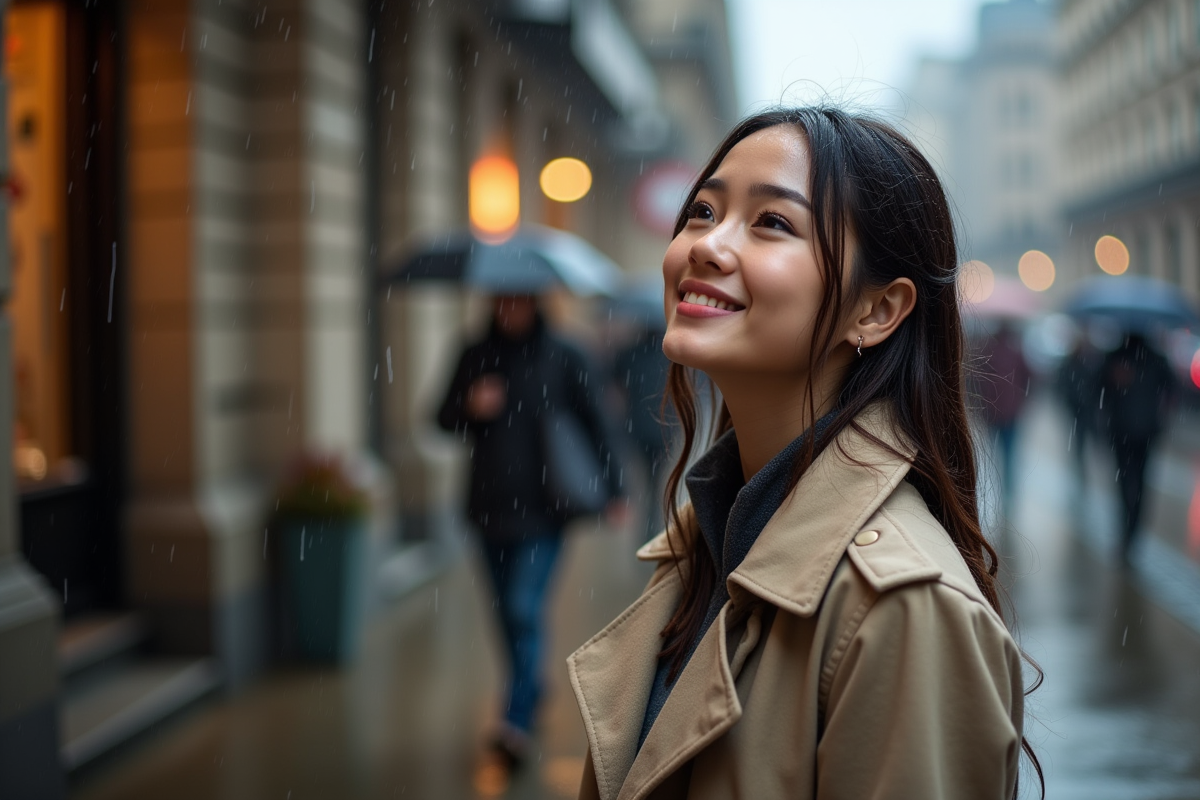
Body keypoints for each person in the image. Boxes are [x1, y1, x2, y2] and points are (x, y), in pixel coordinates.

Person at [567, 107, 1040, 800]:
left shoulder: (904, 613)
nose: (706, 244)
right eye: (702, 210)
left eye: (772, 223)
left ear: (876, 311)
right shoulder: (706, 542)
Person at [436, 294, 624, 783]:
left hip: (546, 510)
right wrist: (469, 406)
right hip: (486, 508)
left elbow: (598, 423)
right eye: (502, 299)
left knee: (522, 607)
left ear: (535, 301)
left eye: (518, 299)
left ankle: (514, 720)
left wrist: (617, 487)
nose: (509, 308)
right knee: (504, 613)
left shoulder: (566, 353)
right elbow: (438, 418)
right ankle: (531, 687)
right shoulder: (475, 353)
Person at [1099, 332, 1177, 562]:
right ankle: (1131, 532)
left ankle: (1128, 532)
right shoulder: (1155, 357)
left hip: (1126, 431)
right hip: (1142, 432)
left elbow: (1097, 388)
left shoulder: (1117, 356)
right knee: (1139, 483)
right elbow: (1171, 390)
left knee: (1126, 482)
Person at [972, 320, 1033, 517]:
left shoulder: (987, 351)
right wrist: (1021, 400)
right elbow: (1030, 378)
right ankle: (1008, 495)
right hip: (1009, 413)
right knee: (1008, 455)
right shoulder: (1016, 352)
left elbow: (977, 381)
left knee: (997, 454)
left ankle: (1003, 493)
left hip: (994, 413)